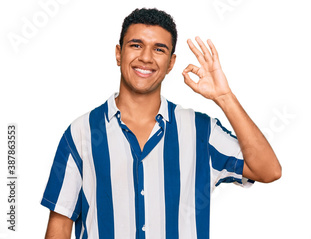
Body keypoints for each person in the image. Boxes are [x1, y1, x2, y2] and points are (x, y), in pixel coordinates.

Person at [41, 8, 281, 239]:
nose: (145, 57)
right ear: (118, 53)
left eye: (159, 49)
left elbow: (268, 170)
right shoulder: (81, 133)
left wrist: (224, 97)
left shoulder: (201, 131)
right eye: (136, 45)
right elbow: (60, 227)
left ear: (171, 63)